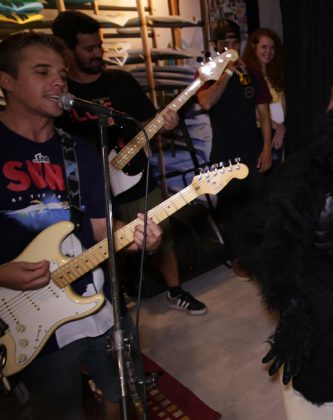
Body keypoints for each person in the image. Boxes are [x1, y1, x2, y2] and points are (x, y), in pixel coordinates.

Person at [0, 32, 162, 419]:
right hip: (27, 318)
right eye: (42, 71)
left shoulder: (80, 152)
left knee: (122, 392)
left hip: (98, 300)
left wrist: (134, 238)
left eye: (62, 74)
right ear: (5, 80)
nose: (58, 81)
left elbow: (94, 227)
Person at [52, 11, 206, 314]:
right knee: (103, 247)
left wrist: (165, 122)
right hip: (89, 187)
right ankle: (114, 299)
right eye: (89, 49)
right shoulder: (61, 94)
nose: (98, 54)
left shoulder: (119, 81)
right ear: (67, 50)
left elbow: (148, 120)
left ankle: (175, 290)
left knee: (161, 237)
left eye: (100, 46)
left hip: (135, 177)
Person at [196, 18, 272, 275]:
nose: (231, 44)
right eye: (225, 40)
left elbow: (263, 114)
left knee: (257, 202)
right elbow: (207, 102)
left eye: (234, 39)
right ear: (216, 44)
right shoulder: (207, 73)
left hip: (252, 149)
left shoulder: (252, 72)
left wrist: (267, 148)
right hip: (225, 151)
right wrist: (227, 70)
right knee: (230, 205)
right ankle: (236, 255)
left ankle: (258, 252)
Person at [244, 27, 286, 166]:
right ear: (253, 48)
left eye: (272, 48)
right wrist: (276, 127)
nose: (268, 52)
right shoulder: (247, 76)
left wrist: (281, 128)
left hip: (277, 135)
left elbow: (282, 103)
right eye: (264, 47)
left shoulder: (274, 74)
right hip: (258, 135)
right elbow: (253, 110)